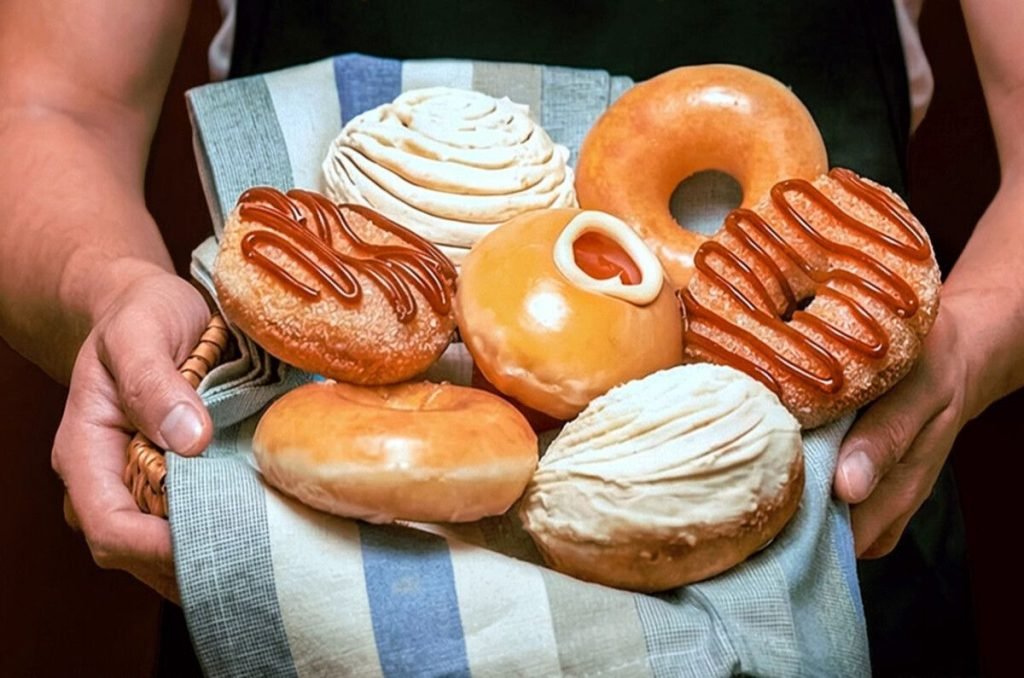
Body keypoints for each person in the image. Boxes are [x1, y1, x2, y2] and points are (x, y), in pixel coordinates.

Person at [0, 0, 1019, 672]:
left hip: (820, 531)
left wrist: (962, 340)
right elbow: (50, 103)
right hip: (307, 579)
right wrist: (110, 287)